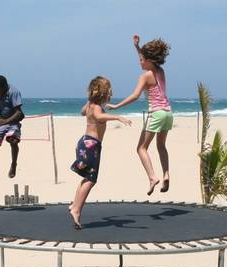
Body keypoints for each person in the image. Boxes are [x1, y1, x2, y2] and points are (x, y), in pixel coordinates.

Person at [107, 35, 172, 195]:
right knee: (161, 146)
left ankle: (152, 178)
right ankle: (166, 174)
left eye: (141, 59)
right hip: (168, 113)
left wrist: (117, 106)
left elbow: (135, 96)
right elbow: (146, 59)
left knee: (141, 148)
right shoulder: (160, 71)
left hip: (156, 113)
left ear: (149, 60)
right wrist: (137, 47)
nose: (139, 61)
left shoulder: (145, 76)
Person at [69, 76, 132, 229]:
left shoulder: (90, 104)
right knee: (91, 179)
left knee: (86, 177)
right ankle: (76, 209)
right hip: (92, 146)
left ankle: (74, 206)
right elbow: (98, 116)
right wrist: (117, 116)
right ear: (105, 94)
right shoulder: (97, 108)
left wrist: (90, 102)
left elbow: (83, 112)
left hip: (84, 143)